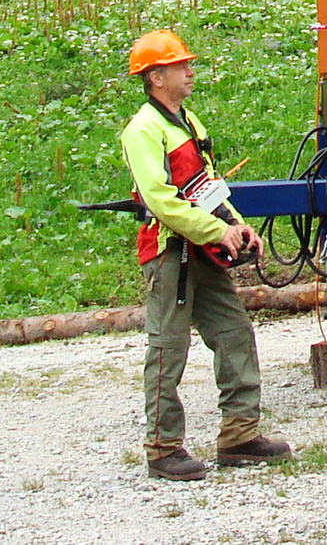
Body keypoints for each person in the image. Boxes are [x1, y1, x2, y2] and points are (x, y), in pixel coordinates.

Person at [121, 29, 293, 480]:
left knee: (234, 332)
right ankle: (162, 448)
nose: (190, 71)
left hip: (201, 249)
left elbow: (207, 186)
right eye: (181, 66)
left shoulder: (188, 122)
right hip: (168, 252)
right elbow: (160, 200)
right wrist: (219, 230)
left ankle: (239, 436)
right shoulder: (143, 130)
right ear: (156, 77)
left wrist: (235, 227)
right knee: (168, 348)